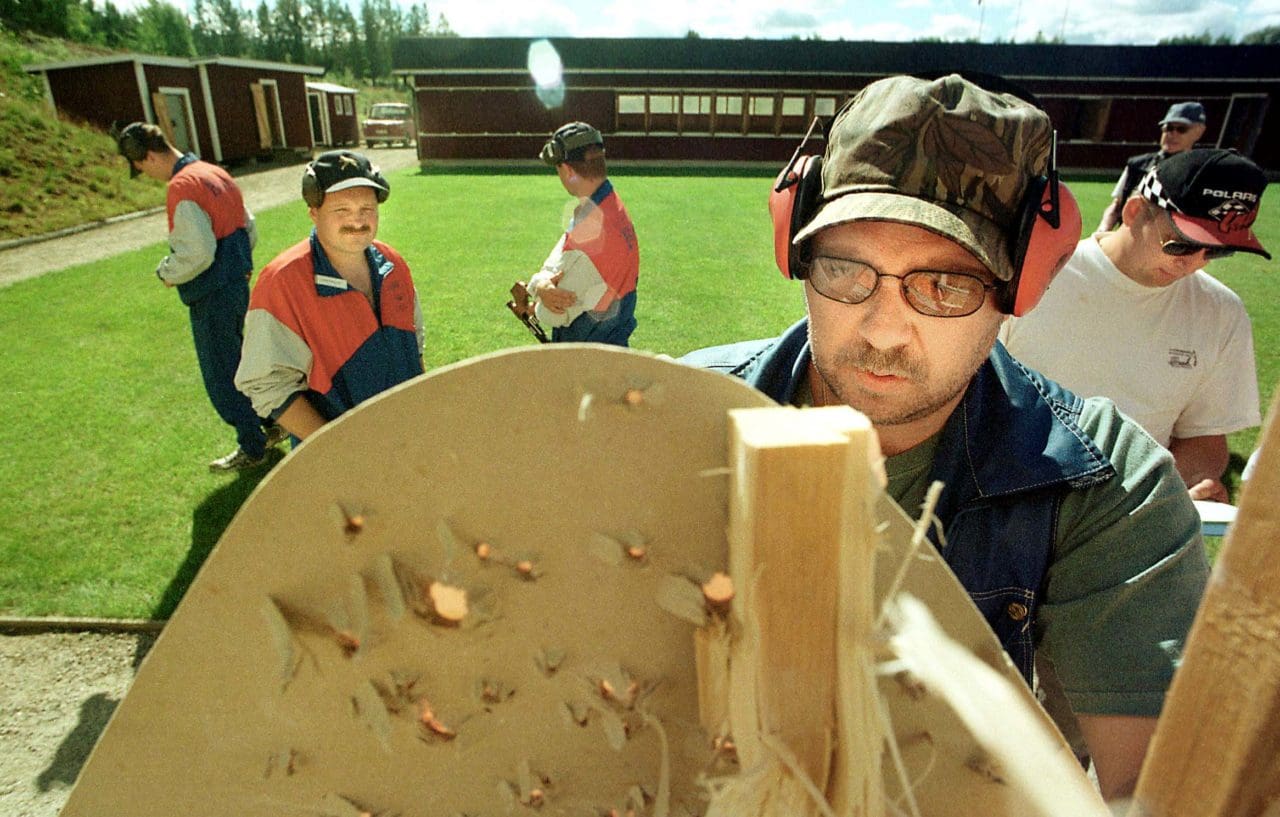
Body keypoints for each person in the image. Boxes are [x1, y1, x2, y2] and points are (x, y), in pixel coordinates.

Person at [682, 74, 1208, 801]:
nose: (884, 328)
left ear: (1021, 286)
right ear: (796, 251)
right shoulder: (676, 416)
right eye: (845, 269)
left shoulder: (1103, 485)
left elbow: (1158, 791)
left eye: (945, 285)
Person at [1002, 148, 1270, 504]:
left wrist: (1172, 484)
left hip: (1124, 513)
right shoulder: (1037, 276)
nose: (1195, 264)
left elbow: (1205, 442)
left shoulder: (1221, 312)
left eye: (1217, 251)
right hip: (1006, 492)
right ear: (1134, 211)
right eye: (1181, 245)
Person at [114, 121, 283, 471]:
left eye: (141, 168)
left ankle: (253, 447)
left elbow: (198, 252)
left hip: (212, 294)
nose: (145, 174)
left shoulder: (182, 187)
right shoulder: (214, 173)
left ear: (147, 157)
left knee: (223, 376)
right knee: (245, 363)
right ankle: (272, 423)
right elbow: (248, 229)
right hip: (238, 286)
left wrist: (167, 271)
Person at [235, 150, 423, 441]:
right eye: (342, 210)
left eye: (367, 209)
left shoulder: (393, 265)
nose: (357, 221)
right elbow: (266, 382)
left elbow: (415, 347)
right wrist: (333, 449)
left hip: (410, 439)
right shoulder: (282, 282)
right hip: (339, 461)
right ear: (314, 212)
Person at [524, 121, 640, 346]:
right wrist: (541, 282)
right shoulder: (607, 206)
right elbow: (559, 254)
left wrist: (538, 289)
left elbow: (554, 313)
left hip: (589, 362)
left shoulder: (589, 234)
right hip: (611, 346)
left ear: (567, 170)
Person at [1095, 101, 1206, 233]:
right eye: (1168, 128)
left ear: (1199, 131)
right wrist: (1102, 230)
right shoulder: (1138, 165)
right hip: (1126, 239)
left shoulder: (1199, 173)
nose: (1172, 134)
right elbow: (1116, 206)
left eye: (1181, 129)